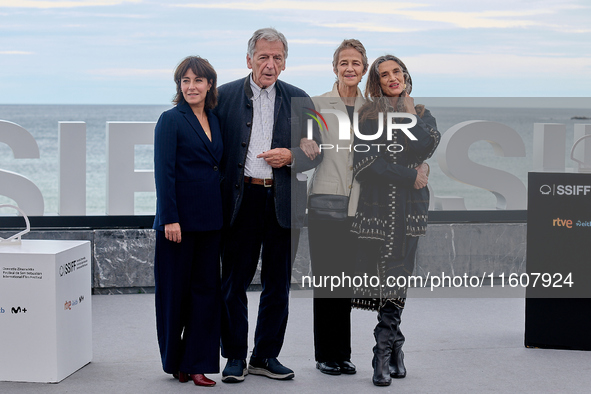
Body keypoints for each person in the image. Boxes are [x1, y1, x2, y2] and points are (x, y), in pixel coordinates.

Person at [214, 27, 322, 383]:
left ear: (285, 63)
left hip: (284, 202)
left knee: (278, 285)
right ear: (249, 60)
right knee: (233, 283)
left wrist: (292, 155)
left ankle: (265, 356)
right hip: (240, 201)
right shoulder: (223, 97)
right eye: (263, 57)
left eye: (277, 58)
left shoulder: (302, 99)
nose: (270, 64)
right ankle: (234, 357)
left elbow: (317, 149)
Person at [351, 55, 440, 386]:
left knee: (398, 276)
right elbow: (365, 162)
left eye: (396, 72)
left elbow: (428, 144)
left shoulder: (421, 114)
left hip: (411, 209)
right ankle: (391, 348)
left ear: (405, 75)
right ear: (377, 81)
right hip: (377, 209)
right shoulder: (369, 116)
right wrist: (409, 174)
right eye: (384, 74)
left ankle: (384, 352)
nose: (392, 78)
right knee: (387, 277)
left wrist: (406, 113)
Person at [153, 56, 222, 387]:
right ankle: (175, 362)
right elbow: (163, 172)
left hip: (211, 222)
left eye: (197, 80)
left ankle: (197, 364)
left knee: (206, 294)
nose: (191, 86)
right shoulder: (170, 120)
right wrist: (169, 218)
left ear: (209, 84)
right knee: (174, 294)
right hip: (177, 224)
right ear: (179, 86)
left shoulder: (215, 119)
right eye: (185, 81)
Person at [307, 39, 368, 376]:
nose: (349, 68)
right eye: (343, 62)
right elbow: (304, 148)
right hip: (325, 202)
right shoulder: (316, 103)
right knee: (326, 281)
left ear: (364, 68)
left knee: (345, 281)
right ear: (335, 68)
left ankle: (342, 353)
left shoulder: (374, 109)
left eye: (355, 63)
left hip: (360, 206)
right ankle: (324, 354)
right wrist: (304, 142)